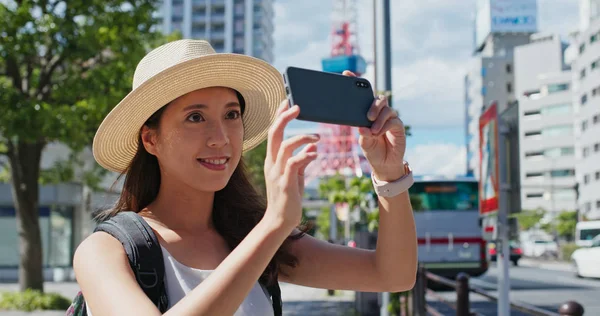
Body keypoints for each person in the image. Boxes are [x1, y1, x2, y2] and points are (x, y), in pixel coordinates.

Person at [73, 39, 418, 316]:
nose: (220, 138)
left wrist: (388, 176)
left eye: (231, 114)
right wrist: (273, 225)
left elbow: (392, 274)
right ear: (151, 139)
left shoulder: (248, 234)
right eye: (195, 117)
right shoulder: (106, 251)